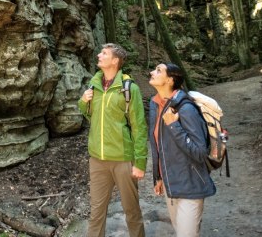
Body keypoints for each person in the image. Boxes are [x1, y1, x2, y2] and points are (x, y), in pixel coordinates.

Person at [79, 43, 148, 237]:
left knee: (132, 211)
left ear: (115, 60)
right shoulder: (94, 86)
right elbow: (89, 115)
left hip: (123, 159)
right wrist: (83, 101)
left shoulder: (128, 89)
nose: (99, 55)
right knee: (96, 213)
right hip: (97, 160)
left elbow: (139, 127)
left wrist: (140, 162)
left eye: (104, 53)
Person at [148, 62, 216, 237]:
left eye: (158, 70)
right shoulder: (156, 105)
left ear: (170, 80)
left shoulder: (186, 109)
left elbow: (200, 152)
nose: (151, 72)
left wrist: (173, 126)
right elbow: (158, 146)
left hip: (190, 185)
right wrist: (158, 176)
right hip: (171, 185)